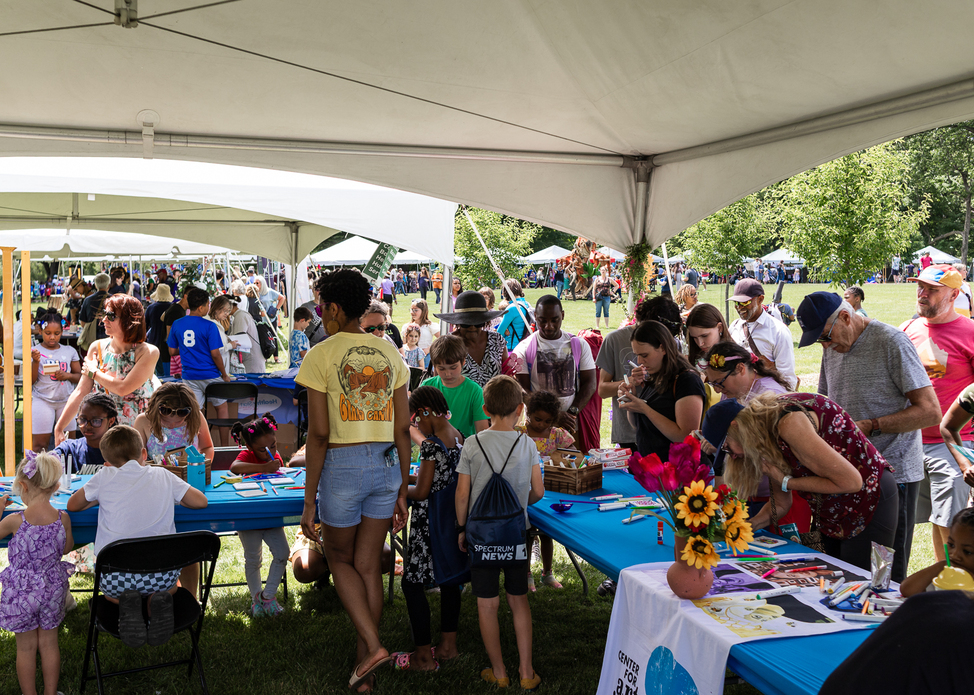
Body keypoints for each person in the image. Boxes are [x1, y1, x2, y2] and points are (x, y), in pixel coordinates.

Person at [296, 268, 411, 692]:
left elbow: (320, 434)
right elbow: (403, 429)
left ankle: (374, 647)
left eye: (322, 305)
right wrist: (402, 483)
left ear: (334, 307)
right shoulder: (389, 352)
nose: (320, 313)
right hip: (386, 464)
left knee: (340, 560)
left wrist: (309, 500)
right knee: (368, 565)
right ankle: (365, 664)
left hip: (342, 465)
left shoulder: (321, 354)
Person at [796, 291, 939, 582]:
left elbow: (930, 412)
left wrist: (872, 425)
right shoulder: (833, 348)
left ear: (846, 317)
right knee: (841, 571)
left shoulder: (891, 342)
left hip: (892, 479)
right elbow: (828, 402)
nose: (825, 346)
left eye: (825, 337)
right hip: (844, 476)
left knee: (882, 574)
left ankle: (884, 625)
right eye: (820, 341)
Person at [66, 425, 208, 647]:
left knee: (111, 591)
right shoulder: (162, 474)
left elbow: (72, 505)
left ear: (107, 463)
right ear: (144, 454)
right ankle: (155, 601)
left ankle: (124, 603)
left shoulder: (103, 477)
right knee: (171, 587)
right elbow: (201, 501)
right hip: (163, 576)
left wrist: (98, 495)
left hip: (116, 578)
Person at [724, 392, 898, 570]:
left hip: (868, 498)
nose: (733, 456)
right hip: (830, 509)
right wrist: (747, 526)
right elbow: (781, 504)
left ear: (735, 426)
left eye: (727, 447)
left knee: (862, 581)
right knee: (827, 577)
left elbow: (852, 482)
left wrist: (787, 482)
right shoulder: (764, 436)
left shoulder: (788, 423)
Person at [455, 375, 543, 690]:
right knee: (519, 601)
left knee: (486, 604)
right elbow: (538, 491)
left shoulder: (471, 443)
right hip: (516, 533)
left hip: (482, 537)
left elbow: (462, 494)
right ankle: (527, 671)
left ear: (485, 408)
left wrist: (462, 528)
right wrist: (521, 502)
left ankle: (500, 671)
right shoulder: (527, 444)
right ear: (521, 409)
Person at [901, 264, 974, 563]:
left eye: (932, 289)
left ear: (954, 294)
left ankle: (955, 591)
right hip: (909, 444)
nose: (923, 294)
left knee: (952, 524)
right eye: (920, 287)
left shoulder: (970, 333)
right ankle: (940, 585)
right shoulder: (907, 330)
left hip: (954, 445)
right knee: (934, 519)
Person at [393, 386, 464, 671]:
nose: (416, 424)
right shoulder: (458, 436)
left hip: (429, 525)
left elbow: (422, 492)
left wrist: (398, 491)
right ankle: (448, 646)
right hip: (451, 521)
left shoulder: (431, 445)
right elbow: (440, 476)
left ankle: (423, 657)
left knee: (411, 585)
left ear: (425, 412)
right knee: (449, 582)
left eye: (416, 418)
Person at [0, 452, 75, 695]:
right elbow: (66, 548)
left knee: (25, 648)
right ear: (55, 486)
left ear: (22, 486)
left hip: (22, 593)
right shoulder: (63, 518)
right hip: (52, 589)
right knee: (50, 644)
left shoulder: (15, 521)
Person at [55, 295, 159, 442]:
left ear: (129, 320)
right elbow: (80, 392)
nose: (104, 320)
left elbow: (123, 388)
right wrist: (59, 427)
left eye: (110, 316)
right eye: (104, 314)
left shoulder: (148, 352)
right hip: (102, 432)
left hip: (137, 435)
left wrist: (94, 372)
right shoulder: (97, 347)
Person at [597, 296, 686, 451]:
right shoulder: (615, 339)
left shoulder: (671, 342)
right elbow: (602, 390)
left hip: (663, 432)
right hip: (628, 432)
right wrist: (629, 381)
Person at [616, 321, 705, 462]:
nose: (640, 361)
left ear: (663, 348)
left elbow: (685, 437)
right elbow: (638, 425)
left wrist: (645, 408)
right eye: (637, 355)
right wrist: (631, 400)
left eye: (644, 355)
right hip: (655, 469)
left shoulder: (687, 380)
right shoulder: (655, 375)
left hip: (678, 472)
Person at [512, 295, 596, 441]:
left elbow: (590, 383)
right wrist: (552, 416)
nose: (548, 326)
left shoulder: (579, 345)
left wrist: (571, 412)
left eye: (554, 320)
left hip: (570, 427)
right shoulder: (524, 349)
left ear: (562, 315)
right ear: (535, 317)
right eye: (542, 321)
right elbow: (521, 388)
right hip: (536, 430)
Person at [229, 415, 289, 617]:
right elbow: (234, 468)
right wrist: (263, 468)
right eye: (263, 450)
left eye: (273, 446)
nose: (270, 452)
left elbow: (281, 471)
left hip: (272, 514)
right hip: (250, 516)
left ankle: (268, 596)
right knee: (253, 559)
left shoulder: (275, 455)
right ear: (249, 447)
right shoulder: (246, 456)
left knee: (282, 553)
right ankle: (256, 600)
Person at [516, 390, 573, 591]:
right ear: (528, 413)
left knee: (547, 533)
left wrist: (561, 455)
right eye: (537, 419)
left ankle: (547, 573)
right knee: (529, 532)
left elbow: (576, 454)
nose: (541, 425)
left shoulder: (557, 435)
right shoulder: (520, 433)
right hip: (528, 490)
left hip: (552, 490)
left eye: (547, 421)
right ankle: (527, 573)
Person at [167, 287, 233, 408]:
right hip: (211, 374)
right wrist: (224, 374)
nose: (209, 307)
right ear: (200, 307)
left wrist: (186, 348)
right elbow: (215, 354)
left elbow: (172, 351)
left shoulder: (177, 323)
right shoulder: (210, 326)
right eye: (208, 304)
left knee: (195, 413)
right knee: (222, 408)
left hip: (189, 375)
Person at [728, 278, 797, 389]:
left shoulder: (778, 331)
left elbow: (787, 378)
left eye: (745, 302)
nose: (739, 307)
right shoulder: (734, 327)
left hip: (766, 400)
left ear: (760, 300)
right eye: (736, 302)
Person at [418, 335, 490, 438]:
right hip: (433, 448)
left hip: (463, 449)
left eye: (453, 368)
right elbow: (414, 424)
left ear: (463, 361)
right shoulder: (427, 387)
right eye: (442, 369)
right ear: (434, 365)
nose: (448, 374)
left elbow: (482, 432)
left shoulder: (474, 391)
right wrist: (425, 443)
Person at [29, 312, 82, 451]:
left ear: (62, 331)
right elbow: (31, 381)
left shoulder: (69, 351)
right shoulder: (35, 351)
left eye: (56, 333)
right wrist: (35, 362)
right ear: (40, 331)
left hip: (66, 402)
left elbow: (80, 376)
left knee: (68, 445)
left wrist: (67, 376)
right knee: (40, 446)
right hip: (42, 400)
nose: (52, 337)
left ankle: (66, 471)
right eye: (48, 333)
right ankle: (38, 472)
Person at [435, 291, 507, 388]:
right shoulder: (448, 344)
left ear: (485, 322)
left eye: (478, 323)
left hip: (494, 401)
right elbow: (438, 381)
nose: (472, 327)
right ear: (458, 323)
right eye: (466, 323)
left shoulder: (497, 340)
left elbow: (507, 372)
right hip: (460, 401)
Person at [133, 382, 215, 464]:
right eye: (165, 421)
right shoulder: (143, 421)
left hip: (189, 474)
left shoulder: (196, 416)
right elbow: (136, 458)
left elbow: (207, 447)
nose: (172, 425)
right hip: (155, 475)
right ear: (155, 413)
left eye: (179, 422)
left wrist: (200, 468)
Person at [900, 508, 974, 596]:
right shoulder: (947, 576)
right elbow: (907, 589)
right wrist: (940, 566)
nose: (954, 555)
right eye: (951, 545)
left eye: (967, 551)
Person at [703, 342, 790, 403]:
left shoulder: (771, 396)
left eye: (719, 382)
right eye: (713, 384)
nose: (717, 390)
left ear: (740, 368)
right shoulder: (732, 392)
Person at [53, 393, 117, 471]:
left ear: (111, 421)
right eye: (82, 420)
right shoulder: (69, 449)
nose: (88, 426)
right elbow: (46, 463)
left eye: (96, 421)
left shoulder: (122, 451)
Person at [685, 303, 734, 373]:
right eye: (694, 338)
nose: (700, 343)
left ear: (720, 328)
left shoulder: (734, 359)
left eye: (704, 336)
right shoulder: (693, 357)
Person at [229, 294, 266, 374]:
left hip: (251, 360)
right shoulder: (239, 315)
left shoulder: (240, 316)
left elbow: (238, 339)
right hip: (249, 358)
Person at [145, 283, 174, 377]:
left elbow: (145, 326)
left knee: (159, 373)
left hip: (155, 342)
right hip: (171, 343)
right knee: (172, 372)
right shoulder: (173, 307)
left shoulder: (151, 308)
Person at [497, 279, 533, 351]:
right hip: (526, 346)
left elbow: (499, 333)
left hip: (512, 347)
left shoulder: (512, 308)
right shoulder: (527, 304)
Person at [78, 272, 110, 344]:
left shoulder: (87, 300)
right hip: (110, 336)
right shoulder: (114, 299)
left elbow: (82, 322)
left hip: (93, 337)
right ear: (109, 285)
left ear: (95, 286)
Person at [592, 263, 618, 330]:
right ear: (600, 271)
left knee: (606, 311)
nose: (603, 271)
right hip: (599, 297)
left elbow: (617, 285)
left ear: (606, 271)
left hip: (607, 297)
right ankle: (597, 326)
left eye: (604, 270)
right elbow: (594, 289)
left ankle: (607, 325)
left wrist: (612, 292)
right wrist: (594, 297)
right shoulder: (597, 279)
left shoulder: (609, 279)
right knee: (598, 311)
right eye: (601, 270)